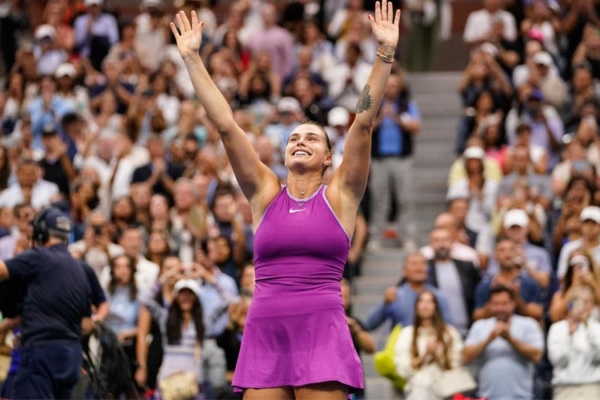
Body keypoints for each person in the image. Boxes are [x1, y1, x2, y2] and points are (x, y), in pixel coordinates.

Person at [170, 2, 400, 398]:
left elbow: (363, 122)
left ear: (329, 157)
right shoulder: (264, 193)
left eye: (311, 137)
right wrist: (192, 58)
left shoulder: (342, 194)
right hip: (265, 328)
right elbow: (226, 125)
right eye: (293, 137)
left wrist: (384, 53)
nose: (300, 141)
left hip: (321, 329)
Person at [0, 207, 95, 398]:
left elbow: (1, 271)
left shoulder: (39, 256)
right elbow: (86, 323)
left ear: (41, 233)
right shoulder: (80, 267)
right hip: (71, 355)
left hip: (42, 353)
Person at [463, 286, 544, 400]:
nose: (500, 308)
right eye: (496, 304)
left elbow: (537, 355)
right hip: (486, 396)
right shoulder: (480, 326)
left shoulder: (528, 324)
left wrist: (510, 339)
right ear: (490, 305)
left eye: (504, 303)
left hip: (521, 396)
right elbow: (466, 356)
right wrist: (488, 340)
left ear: (513, 304)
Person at [394, 291, 464, 400]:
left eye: (429, 301)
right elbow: (402, 369)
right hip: (417, 391)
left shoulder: (449, 333)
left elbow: (456, 364)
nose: (425, 305)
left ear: (436, 306)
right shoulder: (407, 334)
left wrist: (437, 355)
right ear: (416, 306)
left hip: (445, 390)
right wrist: (424, 356)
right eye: (422, 301)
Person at [364, 252, 452, 330]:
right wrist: (385, 303)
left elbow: (449, 327)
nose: (419, 268)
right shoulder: (395, 295)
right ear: (404, 271)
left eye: (422, 264)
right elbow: (370, 324)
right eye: (413, 264)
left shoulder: (437, 296)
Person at [548, 286, 600, 400]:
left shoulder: (597, 329)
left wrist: (588, 327)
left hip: (592, 388)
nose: (583, 306)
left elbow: (598, 357)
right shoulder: (557, 328)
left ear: (592, 305)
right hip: (564, 389)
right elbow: (558, 361)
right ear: (570, 304)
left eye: (587, 302)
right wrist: (569, 336)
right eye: (578, 301)